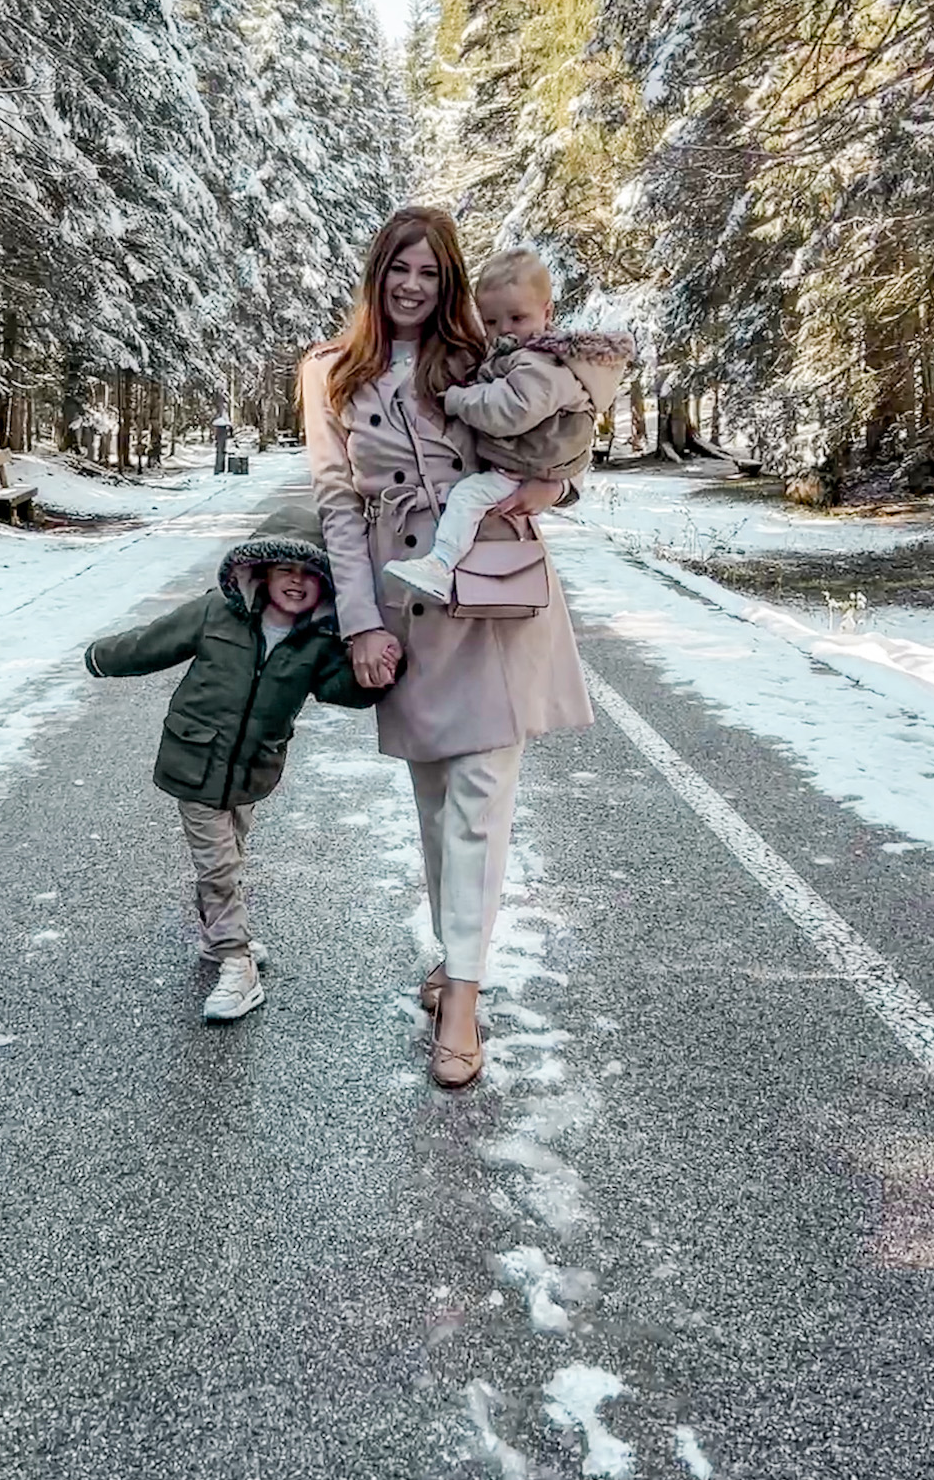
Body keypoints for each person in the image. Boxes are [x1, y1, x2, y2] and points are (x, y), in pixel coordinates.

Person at [301, 208, 600, 1089]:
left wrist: (558, 485)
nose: (413, 286)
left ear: (450, 282)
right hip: (407, 600)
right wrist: (360, 623)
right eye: (401, 267)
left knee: (479, 800)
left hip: (496, 595)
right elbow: (335, 509)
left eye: (431, 273)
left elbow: (561, 417)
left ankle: (463, 997)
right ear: (377, 271)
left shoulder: (480, 356)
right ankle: (452, 956)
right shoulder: (328, 373)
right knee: (436, 806)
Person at [85, 503, 388, 1023]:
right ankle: (236, 961)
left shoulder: (317, 639)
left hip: (252, 770)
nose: (296, 581)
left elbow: (344, 689)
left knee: (230, 860)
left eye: (310, 573)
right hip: (194, 760)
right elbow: (151, 644)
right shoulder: (214, 613)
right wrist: (102, 656)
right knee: (218, 867)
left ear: (328, 583)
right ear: (260, 570)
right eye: (285, 569)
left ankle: (217, 936)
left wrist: (377, 674)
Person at [383, 247, 632, 603]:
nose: (504, 332)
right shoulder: (514, 355)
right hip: (510, 473)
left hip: (515, 488)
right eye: (492, 322)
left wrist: (558, 486)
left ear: (547, 313)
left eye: (517, 319)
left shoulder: (536, 361)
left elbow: (518, 410)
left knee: (467, 498)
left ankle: (440, 563)